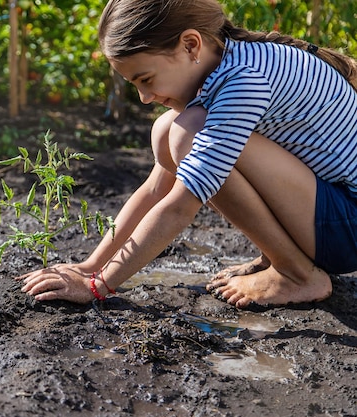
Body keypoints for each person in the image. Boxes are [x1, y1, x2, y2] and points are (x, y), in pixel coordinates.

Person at [18, 0, 357, 309]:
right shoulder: (233, 64)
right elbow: (156, 190)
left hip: (347, 230)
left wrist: (98, 286)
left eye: (146, 79)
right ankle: (279, 259)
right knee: (169, 130)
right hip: (329, 217)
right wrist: (89, 266)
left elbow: (180, 205)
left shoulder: (244, 79)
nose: (145, 98)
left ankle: (297, 274)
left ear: (191, 45)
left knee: (186, 133)